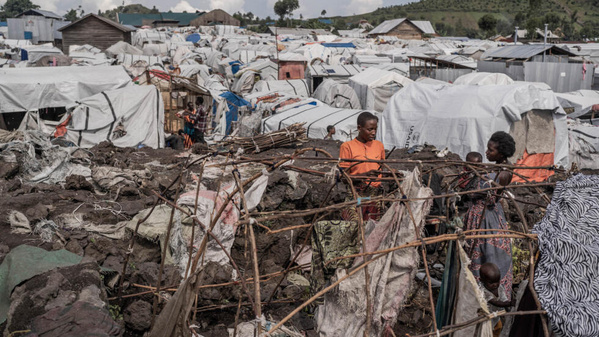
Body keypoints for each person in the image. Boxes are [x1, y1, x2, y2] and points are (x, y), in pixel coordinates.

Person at [464, 131, 515, 301]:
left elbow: (492, 197)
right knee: (477, 253)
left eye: (491, 151)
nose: (487, 153)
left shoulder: (504, 172)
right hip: (480, 214)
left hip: (488, 217)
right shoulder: (495, 168)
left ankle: (492, 297)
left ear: (501, 153)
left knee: (490, 254)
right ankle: (476, 293)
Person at [339, 112, 385, 221]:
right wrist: (365, 175)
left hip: (375, 197)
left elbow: (382, 167)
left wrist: (392, 172)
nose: (373, 133)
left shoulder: (379, 146)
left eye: (375, 129)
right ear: (359, 128)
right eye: (370, 129)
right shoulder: (347, 147)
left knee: (373, 228)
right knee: (355, 227)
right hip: (357, 194)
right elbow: (344, 177)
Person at [480, 262, 516, 337]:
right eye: (491, 283)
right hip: (486, 318)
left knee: (498, 329)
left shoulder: (499, 288)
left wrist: (509, 307)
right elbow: (495, 302)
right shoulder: (483, 291)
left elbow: (504, 299)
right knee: (487, 333)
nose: (495, 285)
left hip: (496, 317)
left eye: (497, 281)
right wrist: (508, 304)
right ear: (482, 280)